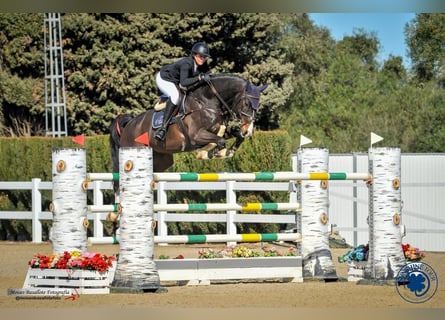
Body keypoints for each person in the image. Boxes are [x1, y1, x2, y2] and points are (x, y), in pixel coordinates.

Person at [154, 42, 212, 141]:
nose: (203, 59)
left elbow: (209, 74)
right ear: (194, 55)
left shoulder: (202, 63)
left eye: (205, 57)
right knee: (175, 96)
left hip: (175, 81)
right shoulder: (186, 64)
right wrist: (199, 77)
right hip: (164, 79)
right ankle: (162, 128)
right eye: (201, 56)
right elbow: (184, 82)